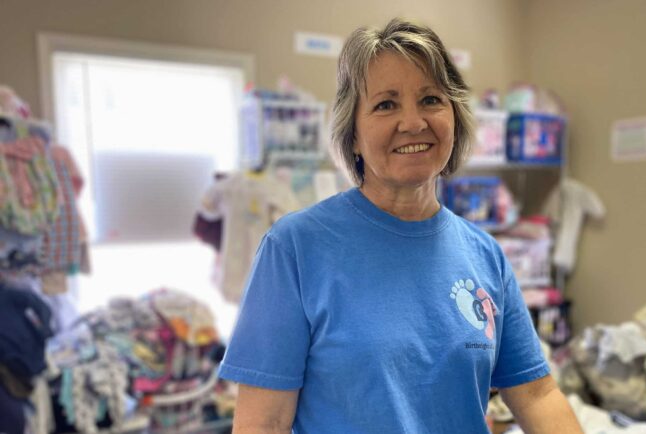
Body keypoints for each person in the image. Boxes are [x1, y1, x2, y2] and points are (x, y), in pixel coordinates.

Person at [219, 17, 583, 434]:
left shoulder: (485, 256)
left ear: (454, 117)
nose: (413, 122)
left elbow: (537, 394)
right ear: (352, 133)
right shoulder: (295, 249)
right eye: (386, 104)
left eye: (430, 99)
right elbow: (262, 424)